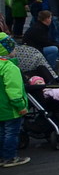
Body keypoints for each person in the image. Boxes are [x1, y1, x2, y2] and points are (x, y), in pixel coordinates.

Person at [0, 38, 30, 168]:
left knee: (1, 132)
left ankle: (2, 157)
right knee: (11, 133)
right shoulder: (10, 67)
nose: (15, 50)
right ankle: (10, 157)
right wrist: (21, 106)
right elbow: (14, 91)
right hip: (11, 108)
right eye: (13, 48)